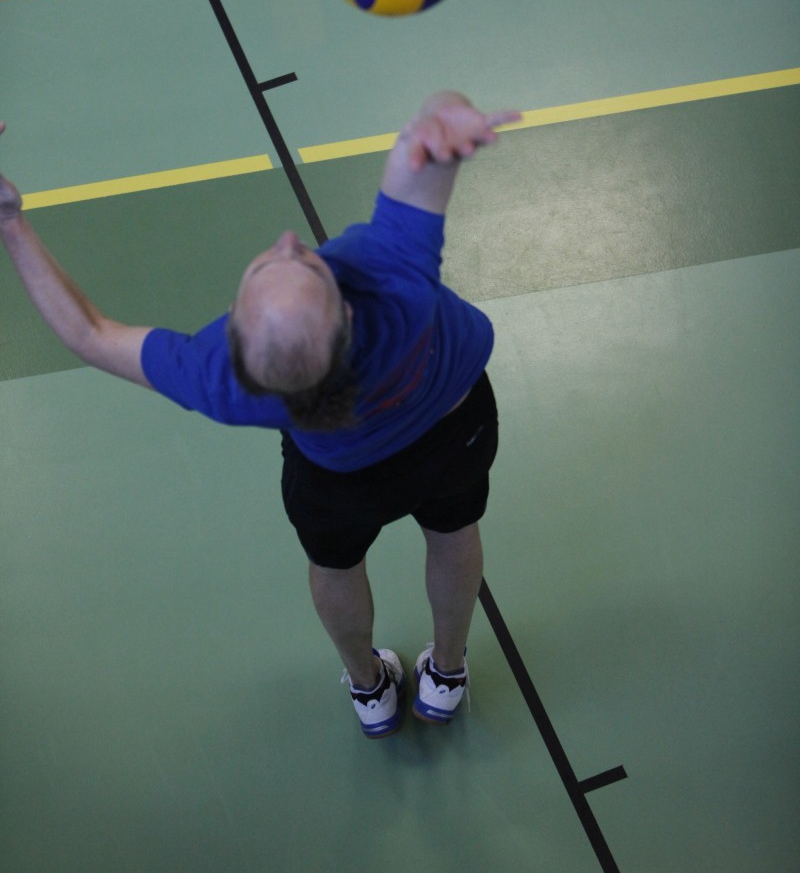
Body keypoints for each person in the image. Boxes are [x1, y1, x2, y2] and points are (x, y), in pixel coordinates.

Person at [0, 92, 520, 738]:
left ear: (233, 334)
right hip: (457, 432)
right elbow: (425, 153)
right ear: (347, 313)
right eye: (301, 263)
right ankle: (447, 673)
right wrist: (443, 116)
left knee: (336, 566)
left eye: (271, 263)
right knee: (454, 532)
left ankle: (370, 689)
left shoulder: (220, 378)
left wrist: (10, 224)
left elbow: (89, 334)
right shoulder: (395, 287)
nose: (287, 240)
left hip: (340, 481)